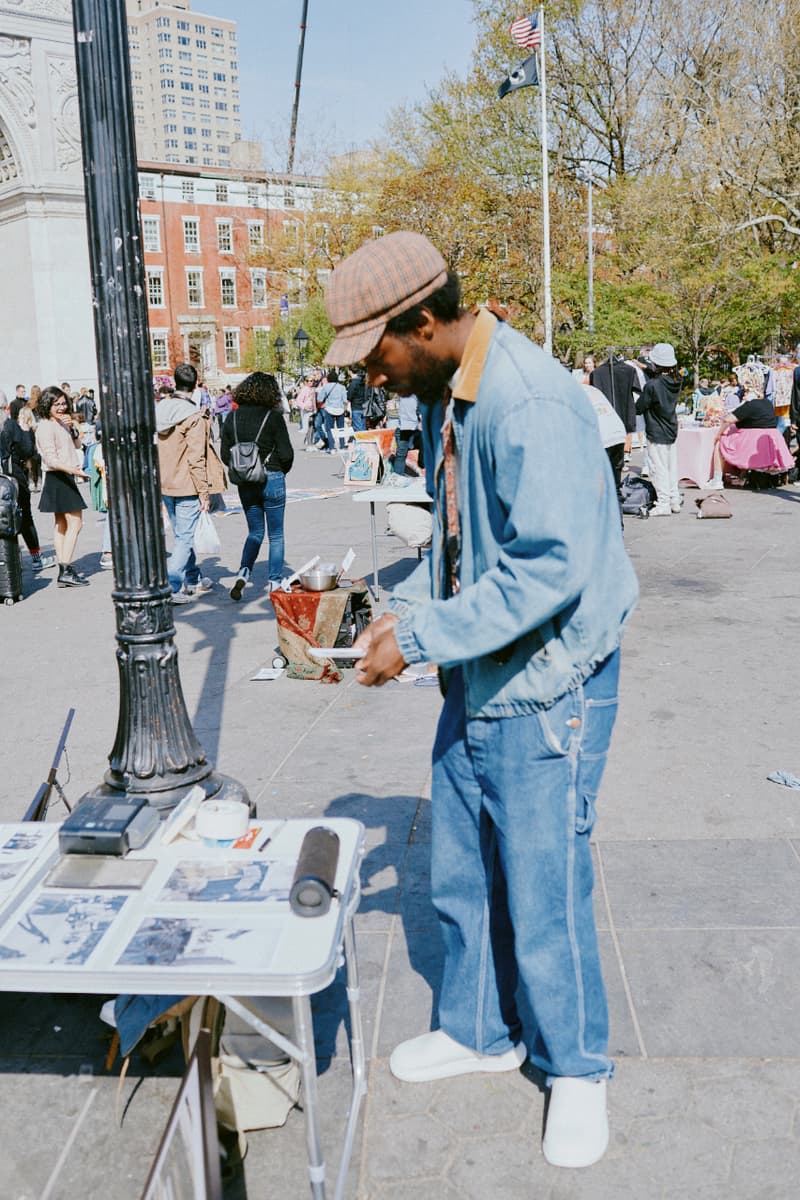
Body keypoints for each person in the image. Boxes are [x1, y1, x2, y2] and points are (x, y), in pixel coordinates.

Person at [323, 231, 638, 1170]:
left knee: (546, 884)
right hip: (482, 671)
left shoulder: (530, 401)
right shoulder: (452, 394)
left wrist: (414, 639)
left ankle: (575, 1067)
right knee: (460, 863)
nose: (373, 378)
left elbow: (546, 571)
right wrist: (395, 620)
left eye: (377, 355)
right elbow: (461, 552)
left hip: (550, 681)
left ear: (421, 324)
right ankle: (475, 1028)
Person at [156, 362, 225, 605]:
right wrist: (204, 492)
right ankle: (172, 585)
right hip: (186, 483)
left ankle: (193, 578)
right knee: (184, 538)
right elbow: (197, 457)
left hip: (166, 481)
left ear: (175, 383)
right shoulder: (193, 416)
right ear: (195, 385)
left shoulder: (161, 409)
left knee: (181, 534)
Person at [220, 371, 293, 599]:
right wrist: (277, 469)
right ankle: (274, 581)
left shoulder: (231, 418)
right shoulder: (273, 417)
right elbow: (287, 453)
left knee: (255, 532)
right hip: (272, 476)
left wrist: (244, 470)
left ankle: (243, 573)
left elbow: (225, 454)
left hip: (246, 481)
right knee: (276, 535)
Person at [34, 385, 90, 587]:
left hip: (64, 475)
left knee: (62, 524)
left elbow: (76, 445)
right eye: (55, 404)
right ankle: (65, 568)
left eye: (63, 403)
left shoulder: (62, 423)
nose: (61, 407)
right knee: (76, 523)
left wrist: (73, 428)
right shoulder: (45, 426)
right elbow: (49, 458)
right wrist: (73, 470)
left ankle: (64, 568)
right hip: (59, 475)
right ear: (46, 405)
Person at [0, 398, 56, 574]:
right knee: (22, 516)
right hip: (13, 479)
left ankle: (12, 559)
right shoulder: (11, 426)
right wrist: (25, 431)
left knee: (10, 518)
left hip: (10, 478)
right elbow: (27, 450)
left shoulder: (7, 426)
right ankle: (35, 558)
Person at [634, 342, 681, 516]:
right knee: (671, 466)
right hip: (670, 428)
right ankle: (674, 499)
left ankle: (663, 503)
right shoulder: (676, 381)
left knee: (658, 468)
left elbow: (639, 407)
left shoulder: (652, 386)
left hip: (656, 430)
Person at [705, 389, 784, 489]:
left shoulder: (749, 405)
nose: (742, 396)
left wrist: (718, 434)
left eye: (744, 393)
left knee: (721, 443)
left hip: (753, 440)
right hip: (770, 439)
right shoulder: (767, 403)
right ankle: (741, 475)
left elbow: (728, 420)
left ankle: (717, 480)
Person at [316, 369, 348, 453]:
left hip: (329, 409)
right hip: (340, 409)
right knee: (341, 428)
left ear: (329, 378)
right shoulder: (342, 387)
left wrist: (325, 402)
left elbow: (319, 399)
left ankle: (332, 447)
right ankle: (342, 446)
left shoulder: (326, 387)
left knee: (329, 429)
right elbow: (345, 400)